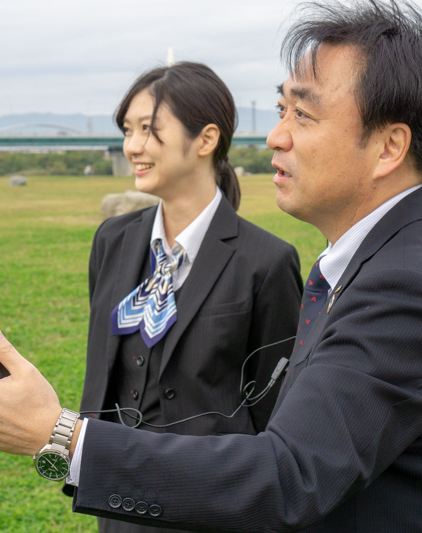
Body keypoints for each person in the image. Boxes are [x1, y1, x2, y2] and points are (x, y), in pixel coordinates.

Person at [0, 1, 422, 531]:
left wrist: (58, 434)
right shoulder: (367, 262)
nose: (276, 136)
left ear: (389, 148)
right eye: (281, 110)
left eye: (303, 114)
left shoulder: (404, 286)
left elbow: (288, 476)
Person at [79, 62, 303, 533]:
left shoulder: (266, 261)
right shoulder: (112, 241)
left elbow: (275, 407)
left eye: (148, 129)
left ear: (206, 139)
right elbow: (105, 371)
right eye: (128, 130)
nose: (132, 146)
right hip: (118, 501)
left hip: (214, 508)